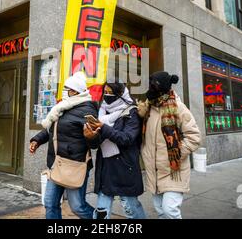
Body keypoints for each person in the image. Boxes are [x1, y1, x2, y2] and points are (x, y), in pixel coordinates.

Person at [29, 72, 98, 219]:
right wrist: (37, 140)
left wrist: (91, 137)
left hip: (75, 165)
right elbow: (53, 129)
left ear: (74, 91)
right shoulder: (62, 107)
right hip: (57, 163)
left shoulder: (88, 109)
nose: (64, 91)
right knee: (50, 203)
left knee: (78, 207)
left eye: (66, 88)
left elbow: (95, 143)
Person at [138, 72, 201, 219]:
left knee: (169, 210)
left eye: (154, 85)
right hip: (154, 170)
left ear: (163, 88)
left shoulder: (178, 107)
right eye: (150, 84)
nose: (150, 88)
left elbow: (194, 137)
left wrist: (175, 154)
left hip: (173, 170)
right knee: (160, 210)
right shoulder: (149, 108)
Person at [84, 81, 146, 219]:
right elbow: (96, 144)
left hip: (124, 168)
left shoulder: (131, 112)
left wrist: (103, 128)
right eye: (105, 92)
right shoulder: (102, 111)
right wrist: (90, 137)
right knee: (101, 213)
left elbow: (127, 139)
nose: (107, 96)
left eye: (112, 93)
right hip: (106, 168)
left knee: (131, 208)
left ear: (121, 94)